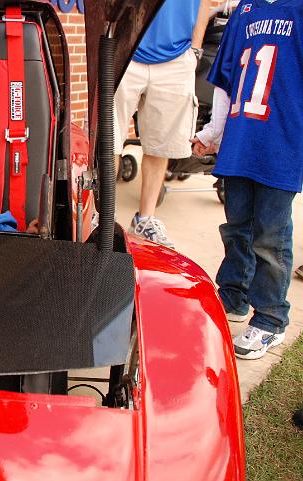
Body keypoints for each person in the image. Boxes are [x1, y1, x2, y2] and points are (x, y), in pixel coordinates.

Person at [192, 0, 303, 360]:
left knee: (270, 237)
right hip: (241, 140)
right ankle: (233, 296)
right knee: (236, 226)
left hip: (282, 141)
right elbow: (226, 83)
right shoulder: (244, 11)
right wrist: (212, 132)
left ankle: (271, 318)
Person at [114, 0, 212, 249]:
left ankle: (145, 219)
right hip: (125, 48)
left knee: (161, 145)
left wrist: (196, 49)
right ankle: (103, 216)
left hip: (177, 56)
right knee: (109, 140)